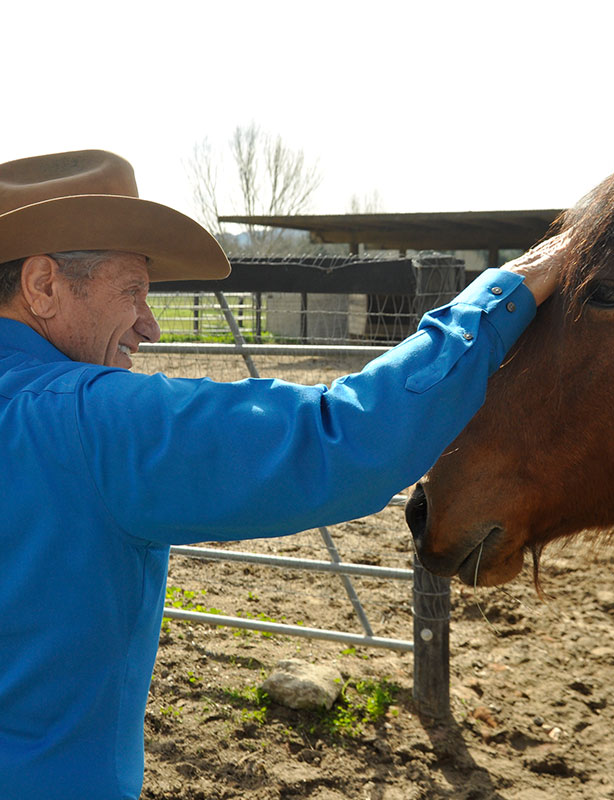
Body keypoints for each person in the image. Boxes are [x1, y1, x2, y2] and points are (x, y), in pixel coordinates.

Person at [0, 149, 569, 799]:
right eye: (132, 290)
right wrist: (509, 290)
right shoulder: (89, 422)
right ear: (44, 285)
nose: (150, 324)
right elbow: (343, 437)